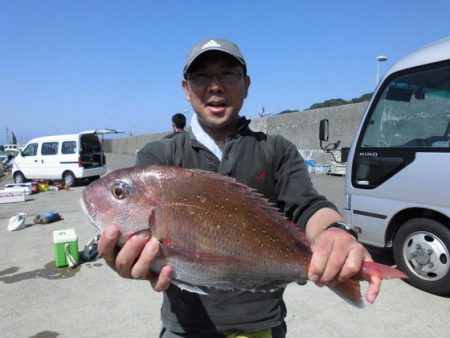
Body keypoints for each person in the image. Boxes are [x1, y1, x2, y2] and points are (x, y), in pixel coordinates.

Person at [98, 38, 381, 338]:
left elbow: (308, 205)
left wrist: (335, 231)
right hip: (184, 327)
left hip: (262, 324)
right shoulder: (159, 159)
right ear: (186, 89)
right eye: (201, 76)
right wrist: (124, 257)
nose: (215, 85)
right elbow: (145, 247)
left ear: (246, 85)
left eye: (228, 74)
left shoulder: (276, 150)